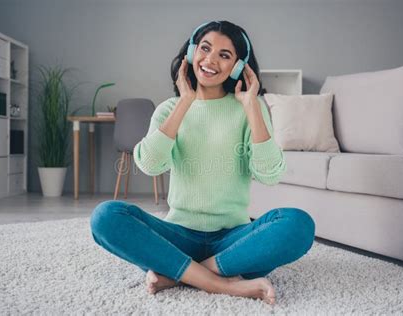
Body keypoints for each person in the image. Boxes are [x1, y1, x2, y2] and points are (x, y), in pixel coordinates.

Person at [90, 21, 315, 305]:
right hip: (177, 234)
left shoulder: (250, 108)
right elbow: (149, 164)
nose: (210, 60)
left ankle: (180, 274)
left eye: (224, 55)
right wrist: (185, 101)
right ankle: (228, 284)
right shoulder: (169, 109)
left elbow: (269, 174)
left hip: (232, 239)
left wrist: (252, 106)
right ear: (191, 52)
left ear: (237, 66)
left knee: (298, 224)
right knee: (106, 217)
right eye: (205, 49)